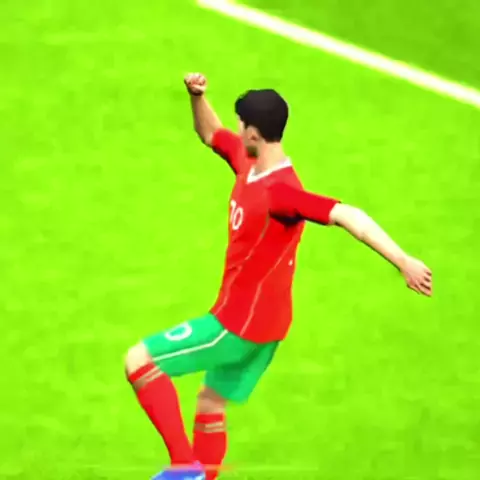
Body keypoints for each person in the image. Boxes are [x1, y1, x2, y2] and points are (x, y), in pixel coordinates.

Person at [125, 73, 433, 480]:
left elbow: (347, 215)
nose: (237, 131)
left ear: (254, 133)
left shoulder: (281, 192)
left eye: (241, 126)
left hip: (238, 325)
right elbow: (211, 133)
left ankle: (185, 468)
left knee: (140, 361)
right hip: (270, 326)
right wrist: (197, 97)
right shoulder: (248, 162)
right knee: (211, 402)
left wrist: (402, 260)